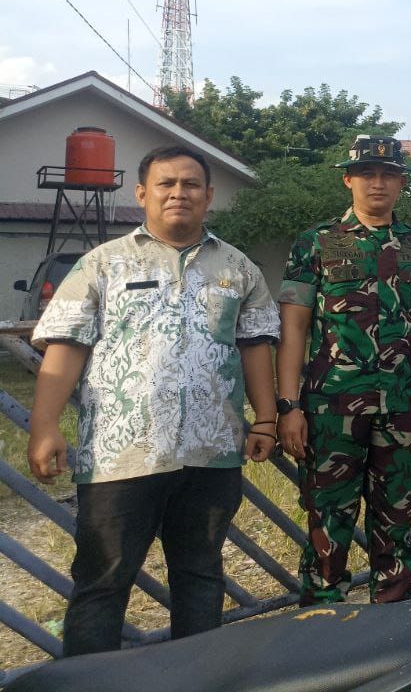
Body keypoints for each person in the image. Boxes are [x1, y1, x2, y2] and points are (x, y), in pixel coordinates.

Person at [27, 145, 280, 656]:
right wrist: (44, 425)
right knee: (103, 581)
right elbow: (66, 346)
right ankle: (90, 684)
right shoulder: (102, 264)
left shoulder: (239, 268)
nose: (178, 193)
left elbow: (255, 346)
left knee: (201, 575)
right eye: (166, 183)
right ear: (142, 193)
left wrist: (266, 420)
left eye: (191, 184)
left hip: (212, 453)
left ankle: (196, 679)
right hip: (120, 456)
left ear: (209, 195)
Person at [277, 134, 411, 605]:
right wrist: (288, 405)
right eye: (367, 174)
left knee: (396, 517)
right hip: (330, 408)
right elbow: (293, 326)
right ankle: (322, 621)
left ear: (401, 183)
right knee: (327, 520)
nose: (378, 183)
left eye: (388, 174)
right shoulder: (315, 243)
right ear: (349, 180)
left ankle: (390, 621)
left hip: (401, 403)